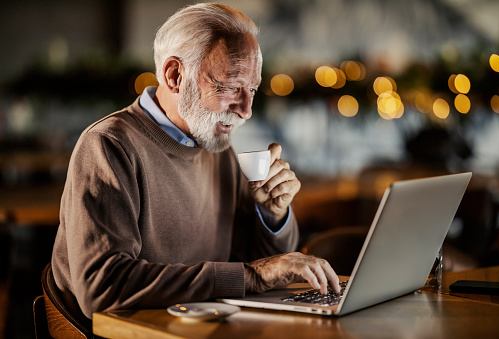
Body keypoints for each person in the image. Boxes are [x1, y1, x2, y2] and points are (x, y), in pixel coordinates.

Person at [51, 3, 340, 320]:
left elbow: (264, 272)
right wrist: (249, 276)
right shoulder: (109, 146)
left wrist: (272, 216)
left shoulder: (217, 149)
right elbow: (102, 288)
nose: (246, 110)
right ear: (174, 75)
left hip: (203, 326)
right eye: (230, 86)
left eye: (252, 89)